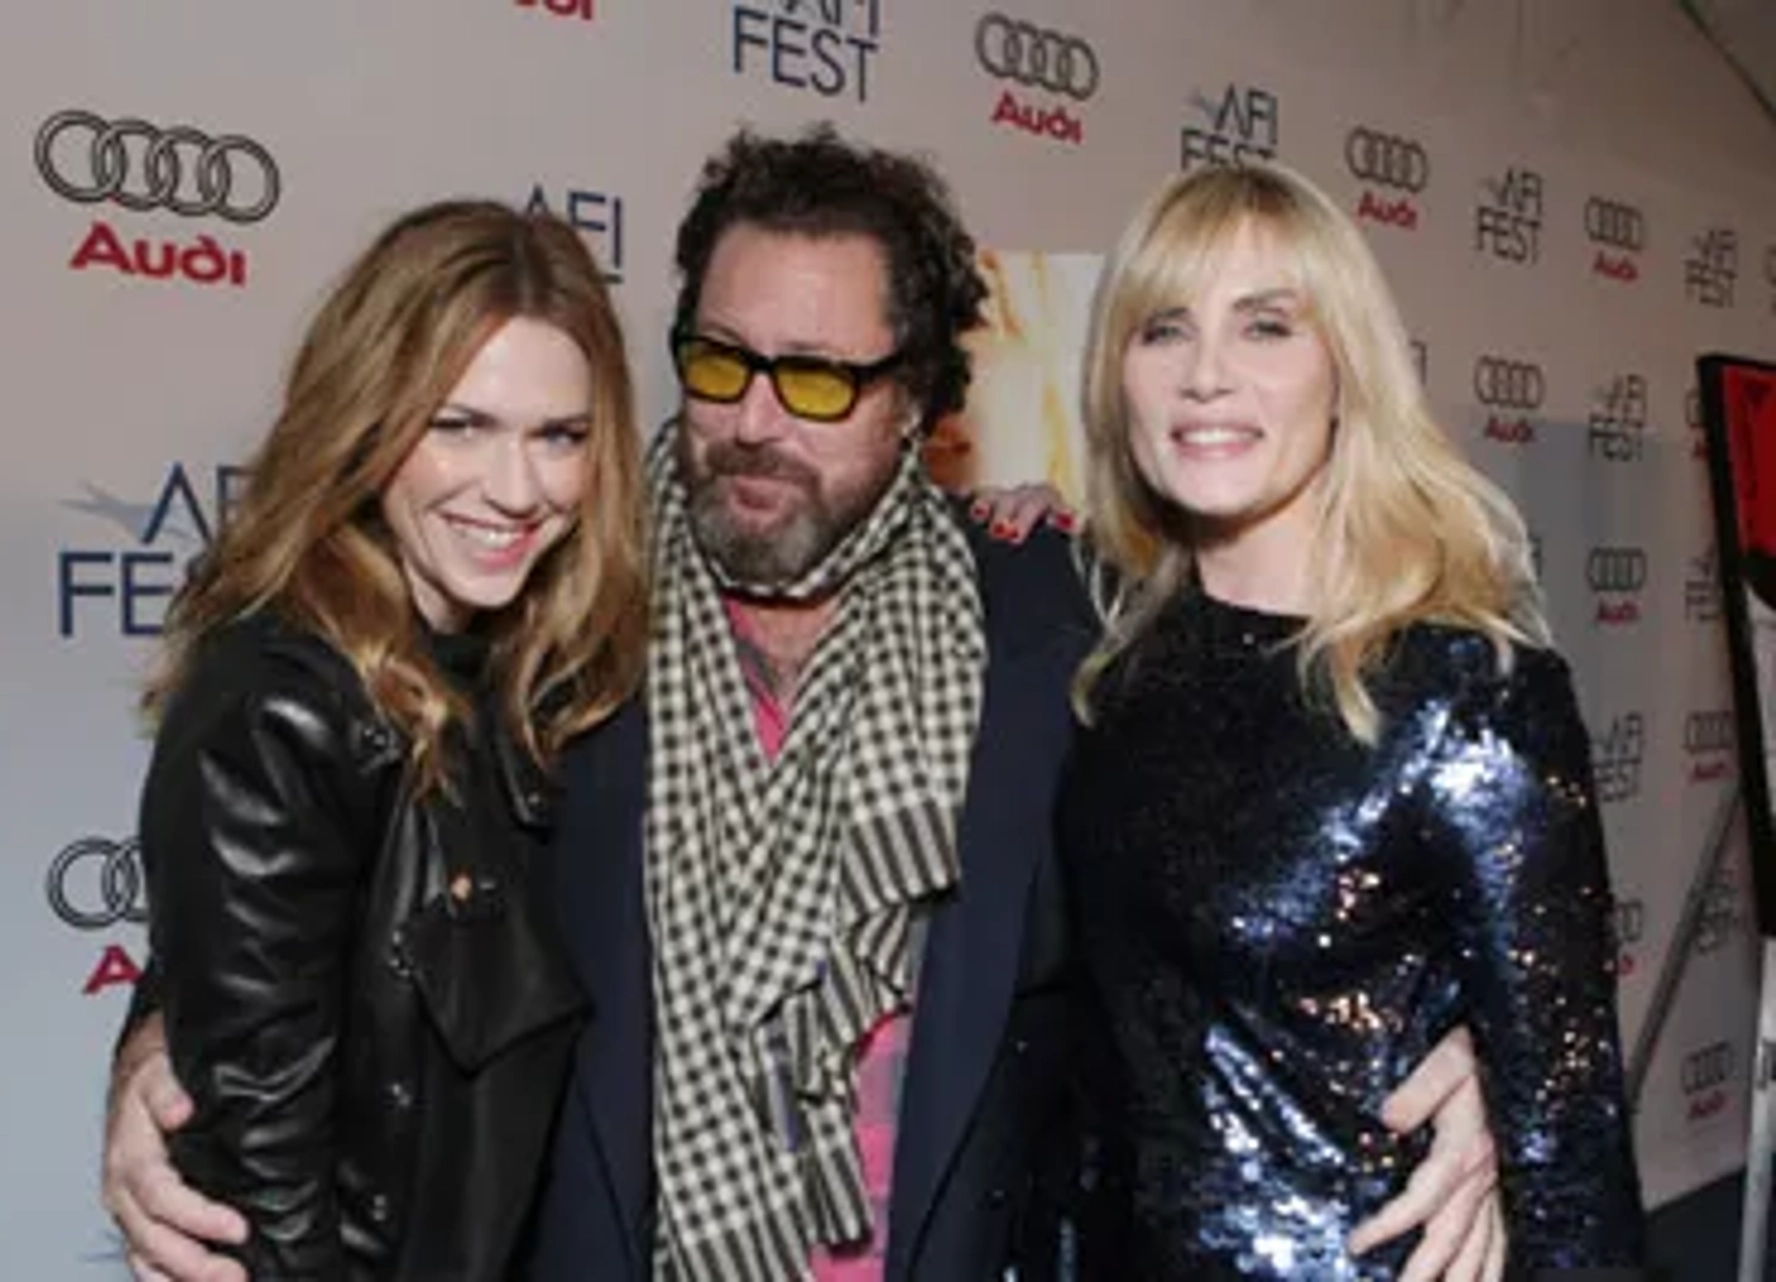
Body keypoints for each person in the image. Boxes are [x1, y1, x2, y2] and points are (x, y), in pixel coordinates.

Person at [105, 129, 1508, 1282]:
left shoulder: (1058, 620)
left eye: (825, 378)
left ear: (922, 404)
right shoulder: (548, 603)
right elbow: (333, 843)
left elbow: (1250, 871)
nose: (759, 418)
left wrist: (1440, 1042)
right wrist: (170, 1036)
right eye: (723, 361)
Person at [1057, 160, 1646, 1278]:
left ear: (1347, 368)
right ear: (1114, 372)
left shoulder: (1464, 692)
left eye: (1267, 326)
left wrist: (1483, 1076)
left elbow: (1569, 1158)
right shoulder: (1114, 660)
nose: (1207, 376)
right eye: (1164, 329)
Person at [127, 200, 648, 1279]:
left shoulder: (539, 673)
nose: (517, 490)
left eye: (560, 437)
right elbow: (260, 1216)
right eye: (458, 426)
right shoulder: (281, 711)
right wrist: (153, 1050)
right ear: (368, 417)